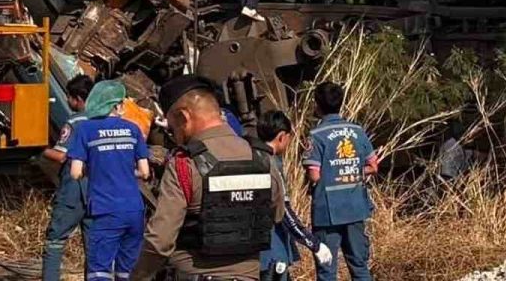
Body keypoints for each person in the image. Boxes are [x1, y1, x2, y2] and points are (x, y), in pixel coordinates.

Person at [131, 75, 285, 281]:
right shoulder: (261, 157)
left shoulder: (184, 164)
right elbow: (276, 215)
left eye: (173, 126)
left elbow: (160, 240)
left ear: (183, 117)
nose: (173, 134)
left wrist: (139, 276)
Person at [68, 80, 150, 281]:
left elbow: (75, 172)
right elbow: (144, 172)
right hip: (134, 210)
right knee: (128, 271)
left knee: (100, 271)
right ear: (116, 106)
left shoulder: (85, 129)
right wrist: (123, 170)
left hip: (105, 210)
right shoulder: (133, 129)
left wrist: (97, 169)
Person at [303, 82, 378, 281]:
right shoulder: (357, 131)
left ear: (317, 104)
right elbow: (373, 165)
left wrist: (330, 173)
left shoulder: (316, 135)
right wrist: (352, 172)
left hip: (327, 213)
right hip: (355, 207)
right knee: (360, 265)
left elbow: (314, 174)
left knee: (327, 268)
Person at [257, 110, 333, 281]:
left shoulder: (248, 156)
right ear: (282, 136)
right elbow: (285, 214)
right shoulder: (271, 164)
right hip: (272, 248)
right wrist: (314, 244)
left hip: (252, 251)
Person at [41, 74, 94, 281]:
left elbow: (62, 155)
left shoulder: (74, 121)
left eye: (69, 98)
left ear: (78, 99)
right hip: (97, 190)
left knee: (55, 240)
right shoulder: (104, 120)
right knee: (94, 246)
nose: (69, 102)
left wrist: (40, 150)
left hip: (73, 190)